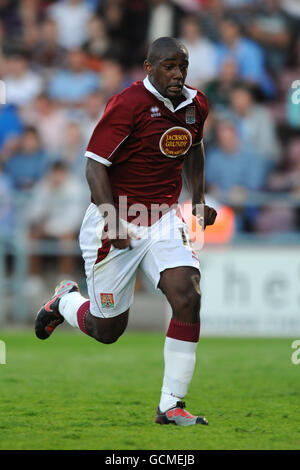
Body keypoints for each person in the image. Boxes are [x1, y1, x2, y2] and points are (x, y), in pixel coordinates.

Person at [34, 37, 217, 426]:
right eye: (169, 66)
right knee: (107, 330)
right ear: (148, 67)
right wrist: (113, 219)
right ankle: (65, 302)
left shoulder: (196, 103)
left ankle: (171, 405)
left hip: (164, 217)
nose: (178, 74)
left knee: (188, 293)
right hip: (115, 220)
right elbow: (94, 166)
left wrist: (198, 199)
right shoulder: (128, 103)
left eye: (182, 66)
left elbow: (194, 147)